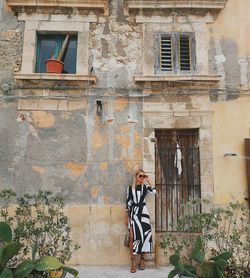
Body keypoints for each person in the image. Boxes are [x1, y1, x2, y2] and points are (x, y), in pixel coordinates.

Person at [125, 169, 156, 273]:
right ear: (136, 177)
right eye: (140, 176)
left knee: (144, 237)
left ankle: (142, 261)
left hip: (143, 214)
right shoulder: (130, 189)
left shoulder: (145, 187)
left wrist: (148, 181)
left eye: (143, 176)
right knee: (132, 237)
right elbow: (128, 203)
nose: (142, 178)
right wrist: (127, 217)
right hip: (133, 214)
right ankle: (133, 262)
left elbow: (154, 192)